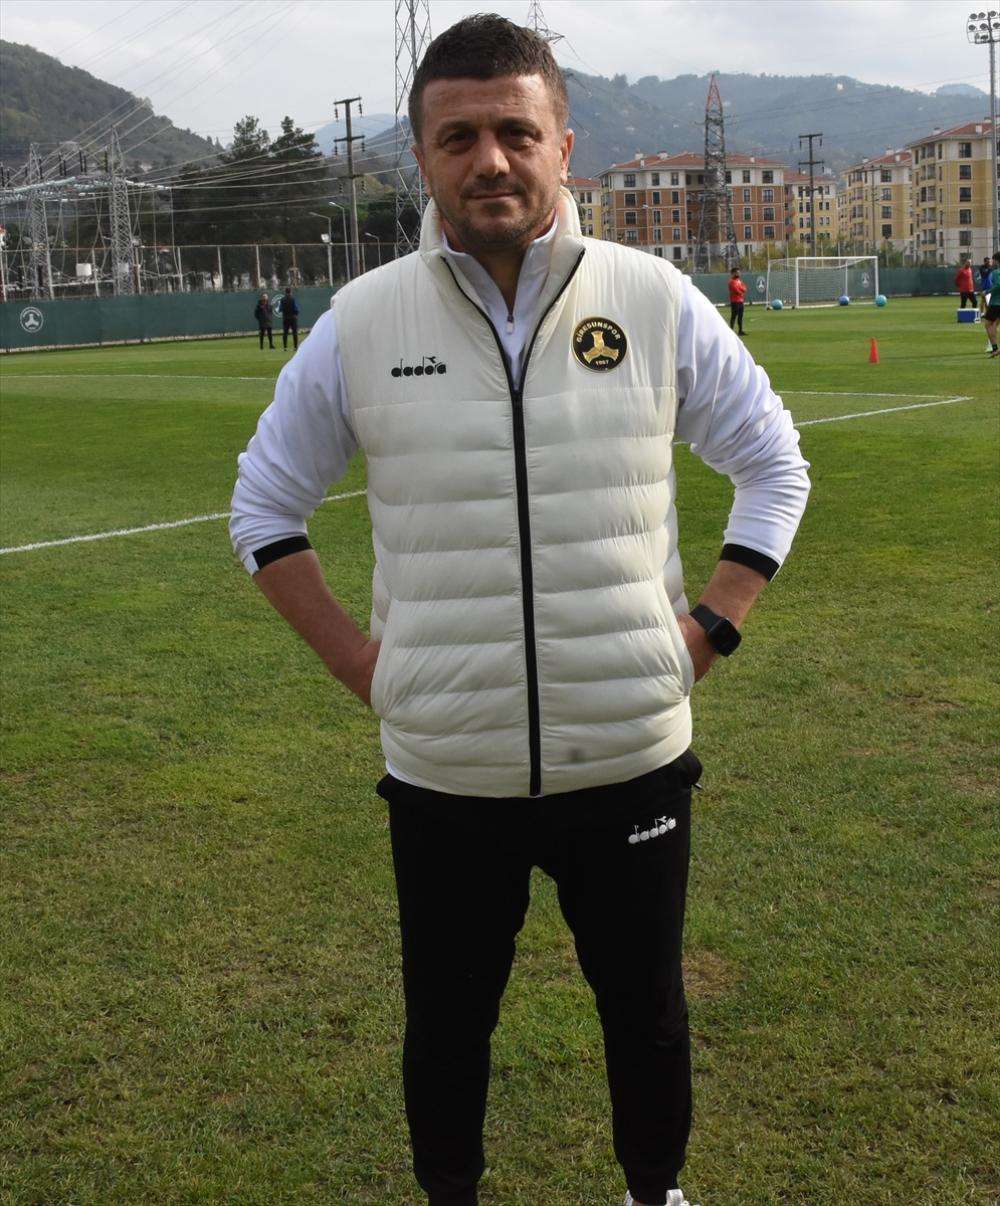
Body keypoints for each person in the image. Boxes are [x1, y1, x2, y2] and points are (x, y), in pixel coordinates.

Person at [229, 16, 810, 1206]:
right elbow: (264, 507)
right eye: (458, 138)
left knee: (646, 1010)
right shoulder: (364, 321)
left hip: (629, 753)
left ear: (562, 146)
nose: (489, 159)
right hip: (449, 769)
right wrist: (366, 669)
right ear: (422, 157)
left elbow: (773, 463)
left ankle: (655, 1190)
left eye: (514, 131)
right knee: (447, 1023)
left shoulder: (650, 297)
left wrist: (709, 628)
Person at [984, 251, 1000, 357]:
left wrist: (987, 291)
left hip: (996, 303)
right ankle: (995, 349)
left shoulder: (996, 272)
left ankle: (995, 348)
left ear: (996, 261)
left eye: (993, 260)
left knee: (988, 325)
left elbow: (998, 285)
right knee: (994, 325)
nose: (992, 262)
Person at [727, 267, 746, 335]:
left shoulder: (739, 281)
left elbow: (744, 288)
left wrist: (741, 290)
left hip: (740, 301)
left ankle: (740, 331)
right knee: (734, 316)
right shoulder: (731, 281)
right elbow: (736, 290)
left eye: (739, 272)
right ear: (733, 273)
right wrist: (741, 292)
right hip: (735, 301)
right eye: (737, 272)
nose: (739, 274)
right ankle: (731, 331)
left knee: (740, 317)